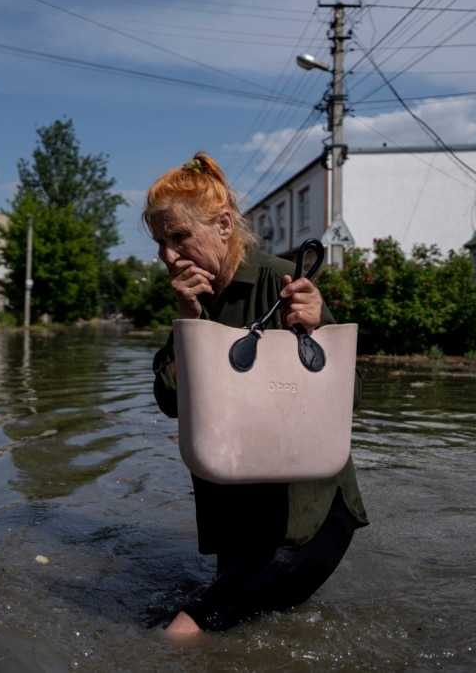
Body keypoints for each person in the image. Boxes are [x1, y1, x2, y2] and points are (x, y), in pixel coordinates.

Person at [145, 152, 368, 634]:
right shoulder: (196, 298)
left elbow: (348, 398)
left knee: (183, 633)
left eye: (179, 236)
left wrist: (313, 325)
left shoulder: (280, 279)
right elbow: (169, 403)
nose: (167, 254)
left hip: (305, 520)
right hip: (238, 520)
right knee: (218, 629)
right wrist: (188, 321)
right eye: (160, 242)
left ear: (224, 225)